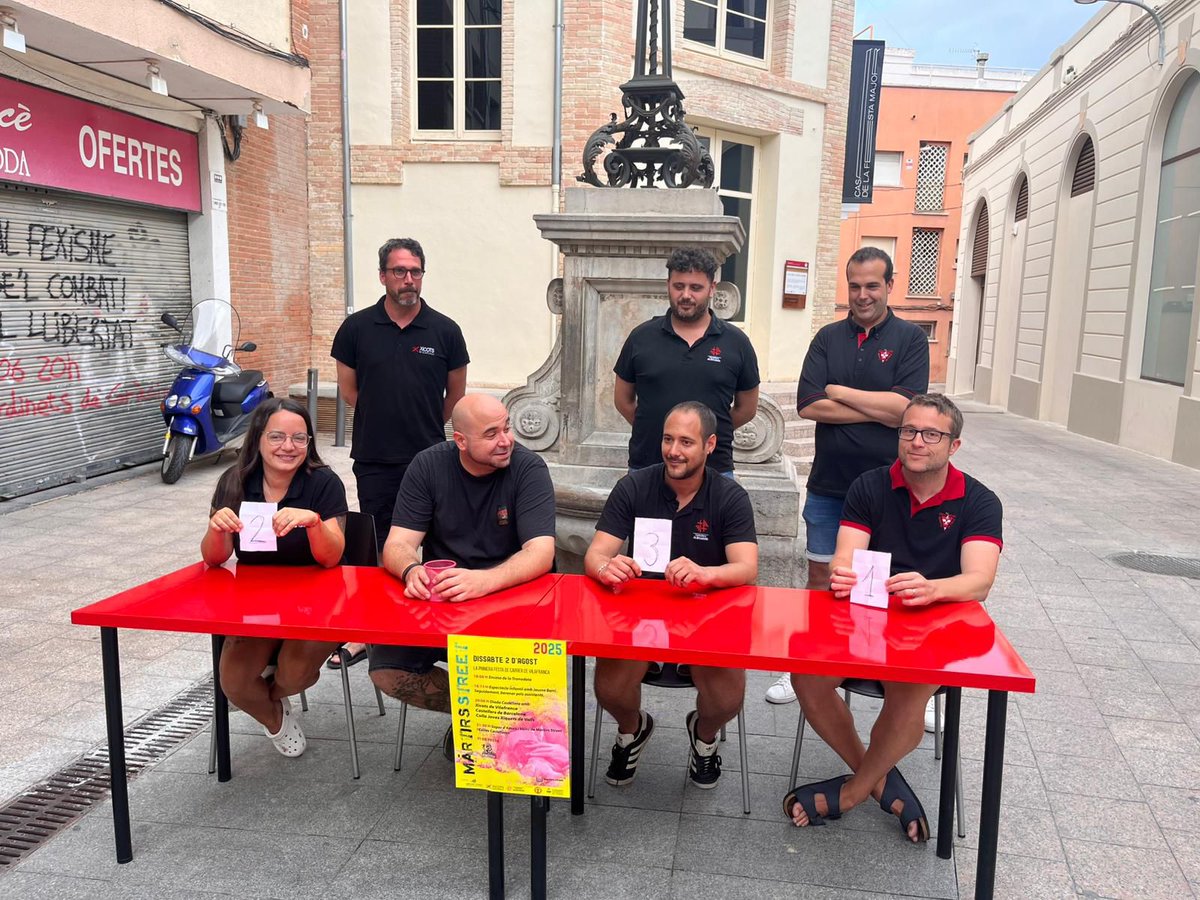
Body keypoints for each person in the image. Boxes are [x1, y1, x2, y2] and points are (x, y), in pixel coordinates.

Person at [782, 394, 1002, 843]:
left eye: (931, 434)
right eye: (908, 431)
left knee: (909, 688)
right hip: (865, 620)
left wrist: (933, 588)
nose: (916, 441)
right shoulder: (870, 485)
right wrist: (843, 573)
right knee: (806, 675)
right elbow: (846, 555)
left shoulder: (979, 500)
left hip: (936, 628)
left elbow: (979, 581)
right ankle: (880, 781)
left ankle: (850, 793)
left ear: (953, 446)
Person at [765, 246, 929, 704]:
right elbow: (807, 404)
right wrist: (876, 405)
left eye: (872, 285)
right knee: (821, 580)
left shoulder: (911, 339)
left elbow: (905, 411)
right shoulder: (827, 338)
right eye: (854, 285)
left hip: (893, 490)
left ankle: (909, 682)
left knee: (895, 584)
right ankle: (810, 666)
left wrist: (839, 392)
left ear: (890, 286)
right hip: (830, 485)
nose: (862, 295)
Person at [370, 394, 557, 757]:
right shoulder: (428, 466)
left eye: (506, 427)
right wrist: (412, 570)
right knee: (386, 670)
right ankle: (479, 710)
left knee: (520, 666)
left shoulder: (528, 468)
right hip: (444, 602)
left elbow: (541, 553)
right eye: (491, 434)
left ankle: (490, 711)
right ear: (460, 441)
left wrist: (483, 580)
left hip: (514, 600)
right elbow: (397, 545)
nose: (506, 440)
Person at [585, 401, 758, 789]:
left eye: (686, 442)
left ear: (710, 445)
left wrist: (706, 574)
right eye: (667, 439)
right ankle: (633, 729)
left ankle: (705, 736)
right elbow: (596, 553)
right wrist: (605, 567)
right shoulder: (634, 485)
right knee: (607, 687)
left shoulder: (730, 497)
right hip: (640, 614)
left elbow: (746, 567)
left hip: (707, 615)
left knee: (728, 697)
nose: (674, 451)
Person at [328, 237, 469, 671]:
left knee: (436, 543)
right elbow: (351, 392)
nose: (408, 280)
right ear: (383, 276)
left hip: (431, 460)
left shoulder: (445, 331)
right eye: (399, 271)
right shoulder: (356, 329)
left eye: (415, 271)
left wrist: (424, 426)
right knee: (376, 545)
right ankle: (367, 633)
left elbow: (455, 400)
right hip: (375, 458)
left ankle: (430, 628)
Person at [201, 398, 348, 758]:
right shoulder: (234, 481)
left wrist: (312, 522)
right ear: (259, 439)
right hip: (257, 602)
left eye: (300, 438)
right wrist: (217, 528)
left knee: (296, 674)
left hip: (319, 599)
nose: (289, 447)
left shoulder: (324, 482)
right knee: (233, 682)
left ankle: (268, 689)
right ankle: (273, 716)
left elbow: (332, 558)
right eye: (278, 436)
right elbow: (214, 558)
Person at [614, 247, 760, 476]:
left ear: (712, 288)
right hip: (647, 468)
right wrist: (656, 431)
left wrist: (701, 435)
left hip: (714, 469)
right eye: (679, 286)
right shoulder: (641, 337)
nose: (686, 295)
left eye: (696, 288)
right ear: (668, 285)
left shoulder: (737, 343)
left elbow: (747, 409)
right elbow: (623, 401)